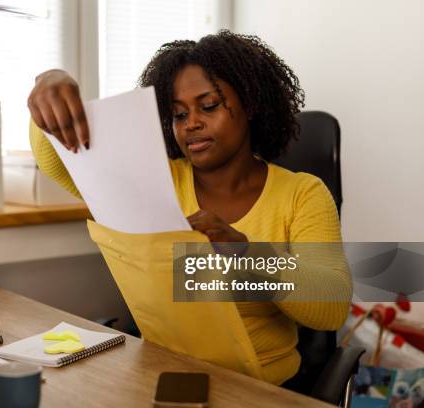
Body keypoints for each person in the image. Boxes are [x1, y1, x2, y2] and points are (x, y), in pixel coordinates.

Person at [27, 30, 352, 387]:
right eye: (178, 115)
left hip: (261, 388)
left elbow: (332, 305)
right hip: (165, 378)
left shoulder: (302, 194)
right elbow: (55, 161)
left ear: (251, 104)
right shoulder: (156, 179)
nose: (191, 123)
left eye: (208, 106)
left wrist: (245, 253)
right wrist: (49, 83)